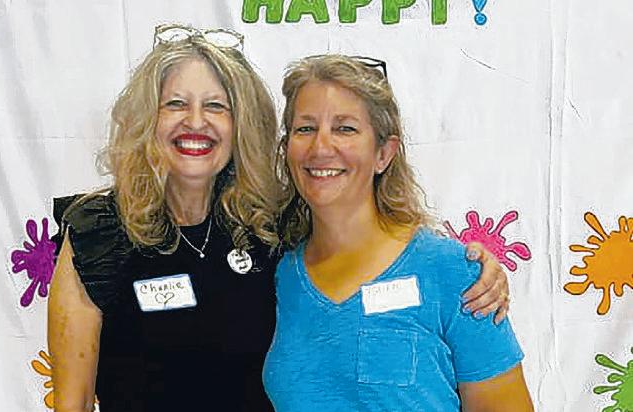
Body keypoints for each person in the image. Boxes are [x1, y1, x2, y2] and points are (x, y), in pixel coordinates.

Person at [48, 25, 512, 412]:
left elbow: (364, 237)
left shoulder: (264, 228)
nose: (195, 121)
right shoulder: (98, 235)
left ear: (241, 125)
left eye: (216, 106)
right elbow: (73, 403)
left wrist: (467, 266)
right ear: (146, 118)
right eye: (175, 104)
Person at [263, 54, 534, 411]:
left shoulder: (455, 273)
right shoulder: (273, 276)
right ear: (286, 149)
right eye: (305, 128)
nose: (321, 147)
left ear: (384, 153)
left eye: (345, 128)